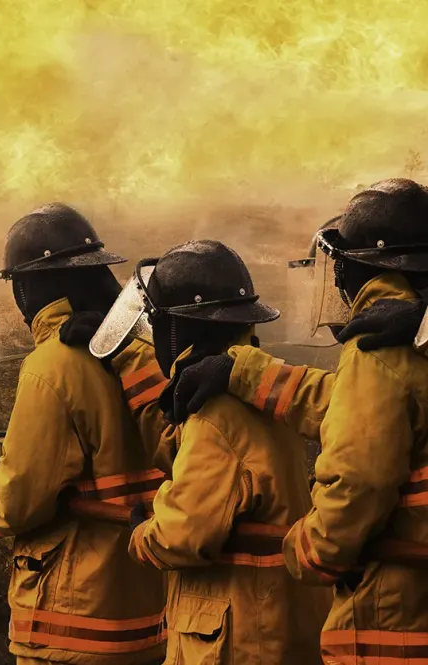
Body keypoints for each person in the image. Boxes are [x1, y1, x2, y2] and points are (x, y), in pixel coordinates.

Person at [164, 179, 428, 664]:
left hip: (397, 617)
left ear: (355, 263)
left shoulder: (380, 346)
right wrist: (240, 368)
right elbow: (351, 407)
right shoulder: (412, 336)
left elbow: (360, 475)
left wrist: (308, 551)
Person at [0, 203, 168, 665]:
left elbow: (20, 504)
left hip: (74, 625)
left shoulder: (52, 366)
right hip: (154, 612)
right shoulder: (145, 347)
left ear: (29, 287)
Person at [104, 240, 329, 664]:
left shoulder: (215, 414)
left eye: (157, 324)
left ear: (178, 328)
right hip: (276, 623)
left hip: (238, 638)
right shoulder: (259, 393)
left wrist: (142, 533)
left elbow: (184, 535)